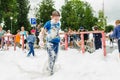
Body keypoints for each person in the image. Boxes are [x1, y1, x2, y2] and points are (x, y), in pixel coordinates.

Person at [43, 11, 61, 75]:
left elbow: (58, 32)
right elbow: (43, 31)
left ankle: (50, 67)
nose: (57, 20)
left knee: (55, 57)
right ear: (52, 17)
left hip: (57, 42)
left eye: (58, 18)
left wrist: (60, 38)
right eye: (56, 19)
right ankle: (50, 71)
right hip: (50, 42)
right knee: (51, 56)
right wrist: (42, 40)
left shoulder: (58, 24)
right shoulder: (48, 23)